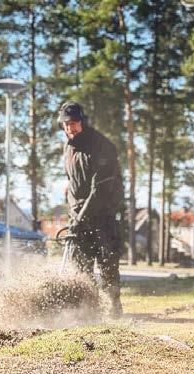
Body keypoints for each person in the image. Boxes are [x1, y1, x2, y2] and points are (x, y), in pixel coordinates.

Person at [59, 101, 125, 317]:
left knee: (107, 265)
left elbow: (101, 189)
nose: (70, 128)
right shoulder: (69, 147)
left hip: (103, 214)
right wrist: (73, 210)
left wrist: (81, 217)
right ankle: (88, 312)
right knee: (81, 267)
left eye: (74, 123)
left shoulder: (102, 146)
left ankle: (114, 309)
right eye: (66, 124)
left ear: (82, 121)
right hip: (79, 215)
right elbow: (72, 181)